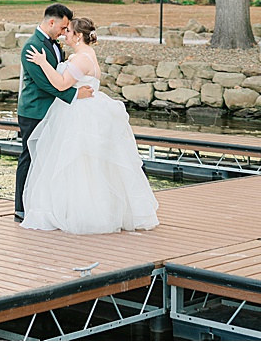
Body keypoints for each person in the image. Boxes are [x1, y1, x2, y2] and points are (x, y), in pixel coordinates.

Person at [21, 17, 160, 234]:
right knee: (89, 164)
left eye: (68, 31)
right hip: (87, 107)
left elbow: (59, 83)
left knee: (79, 163)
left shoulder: (81, 59)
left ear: (77, 35)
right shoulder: (86, 55)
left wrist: (42, 63)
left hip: (79, 113)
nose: (65, 34)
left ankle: (84, 213)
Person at [13, 3, 91, 224]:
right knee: (30, 157)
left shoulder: (54, 44)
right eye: (63, 27)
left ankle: (43, 205)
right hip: (34, 111)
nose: (64, 32)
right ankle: (20, 208)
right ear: (51, 22)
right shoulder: (31, 46)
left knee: (49, 158)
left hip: (53, 110)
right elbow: (45, 83)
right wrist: (75, 95)